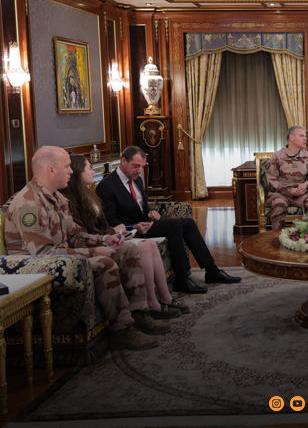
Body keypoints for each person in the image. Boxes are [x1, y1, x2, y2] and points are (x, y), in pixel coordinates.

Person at [4, 146, 168, 350]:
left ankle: (139, 314)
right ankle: (121, 329)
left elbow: (75, 236)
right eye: (67, 167)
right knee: (105, 263)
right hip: (36, 269)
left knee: (127, 249)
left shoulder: (58, 198)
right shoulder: (29, 204)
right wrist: (94, 252)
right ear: (51, 170)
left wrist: (105, 240)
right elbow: (44, 254)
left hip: (63, 259)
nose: (71, 171)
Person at [96, 146, 241, 294]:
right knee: (175, 225)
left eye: (142, 167)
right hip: (130, 232)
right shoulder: (107, 186)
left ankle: (212, 270)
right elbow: (110, 222)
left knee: (188, 223)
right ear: (123, 161)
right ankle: (182, 278)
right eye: (136, 166)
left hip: (145, 225)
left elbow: (140, 208)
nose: (139, 171)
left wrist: (150, 214)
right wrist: (134, 226)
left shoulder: (137, 180)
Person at [62, 154, 189, 319]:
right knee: (145, 246)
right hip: (95, 244)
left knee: (151, 244)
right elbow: (85, 234)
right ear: (78, 172)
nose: (93, 172)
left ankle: (166, 298)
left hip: (108, 237)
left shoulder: (88, 194)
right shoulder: (70, 200)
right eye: (89, 168)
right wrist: (112, 234)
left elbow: (104, 224)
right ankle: (152, 304)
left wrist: (117, 232)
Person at [265, 126, 308, 230]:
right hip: (280, 194)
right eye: (301, 136)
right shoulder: (277, 156)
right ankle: (278, 237)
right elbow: (271, 180)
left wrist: (306, 185)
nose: (305, 138)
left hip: (301, 194)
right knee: (279, 206)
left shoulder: (307, 156)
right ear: (292, 137)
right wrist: (290, 191)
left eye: (305, 136)